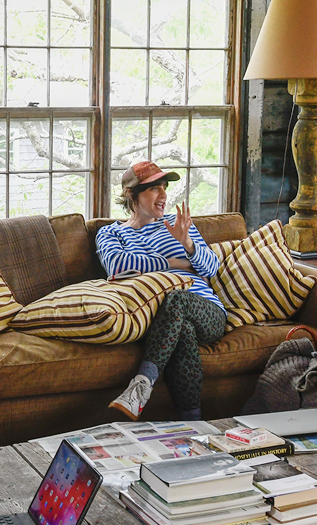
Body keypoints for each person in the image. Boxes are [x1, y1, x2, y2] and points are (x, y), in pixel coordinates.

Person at [96, 160, 226, 421]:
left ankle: (141, 385)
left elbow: (211, 267)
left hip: (208, 311)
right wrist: (174, 263)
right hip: (161, 320)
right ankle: (193, 423)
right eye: (154, 188)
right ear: (132, 195)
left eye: (164, 187)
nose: (164, 195)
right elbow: (118, 265)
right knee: (184, 332)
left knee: (177, 298)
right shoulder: (111, 233)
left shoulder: (177, 224)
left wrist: (188, 243)